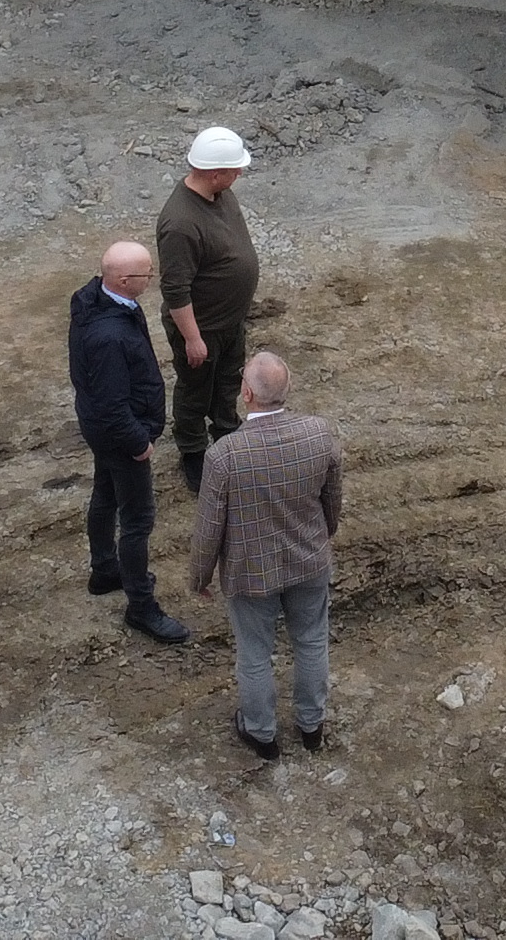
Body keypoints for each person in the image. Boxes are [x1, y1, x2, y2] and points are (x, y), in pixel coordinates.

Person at [191, 350, 343, 758]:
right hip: (309, 560)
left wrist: (200, 576)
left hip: (250, 572)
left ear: (246, 394)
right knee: (311, 641)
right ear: (287, 390)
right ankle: (311, 726)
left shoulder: (225, 455)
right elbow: (332, 500)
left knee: (255, 653)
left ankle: (261, 733)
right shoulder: (318, 434)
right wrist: (322, 536)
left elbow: (208, 528)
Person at [70, 240, 192, 645]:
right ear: (123, 280)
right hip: (120, 437)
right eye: (146, 274)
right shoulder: (110, 337)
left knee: (105, 494)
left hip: (101, 430)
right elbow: (112, 405)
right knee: (138, 521)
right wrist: (140, 443)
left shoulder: (96, 300)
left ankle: (105, 570)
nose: (152, 278)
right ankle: (141, 606)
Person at [154, 125, 262, 492]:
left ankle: (226, 431)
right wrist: (192, 339)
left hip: (228, 321)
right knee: (195, 389)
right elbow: (175, 289)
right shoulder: (180, 223)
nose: (240, 173)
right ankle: (193, 450)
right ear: (215, 174)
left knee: (228, 379)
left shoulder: (221, 194)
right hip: (201, 328)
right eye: (234, 169)